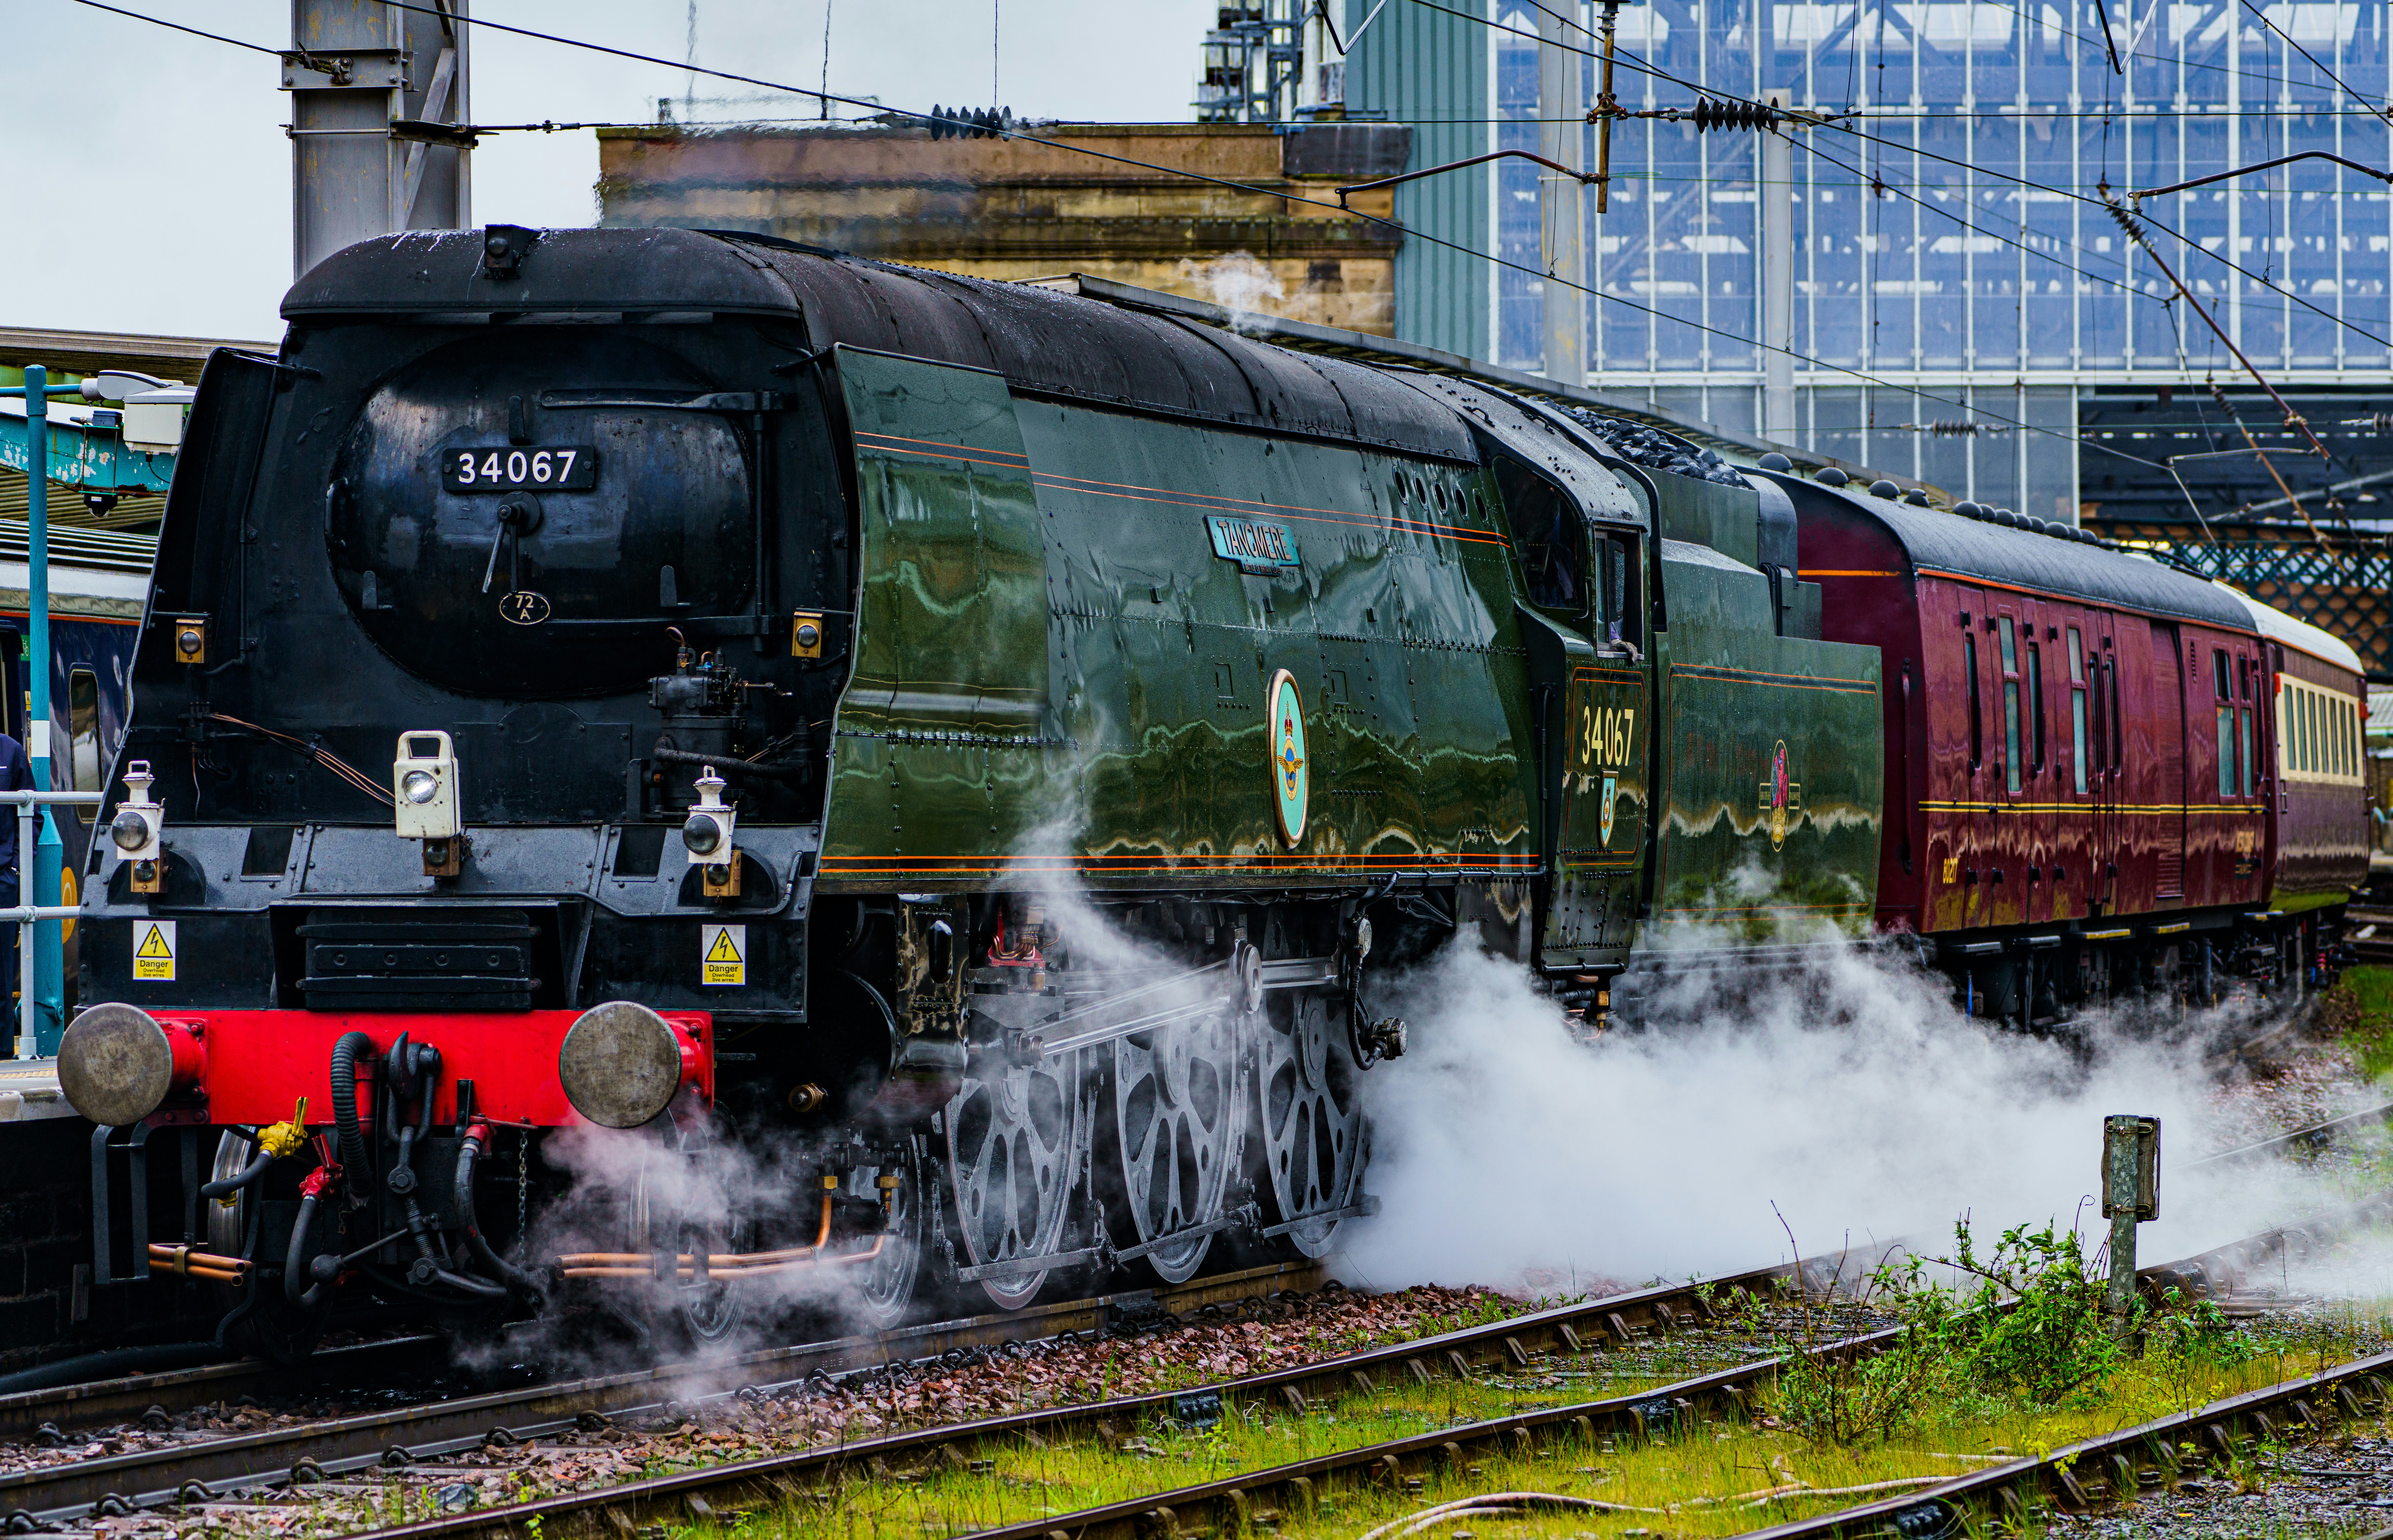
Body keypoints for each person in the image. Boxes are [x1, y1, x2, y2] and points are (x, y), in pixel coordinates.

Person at [0, 728, 30, 1056]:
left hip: (0, 877)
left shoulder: (10, 752)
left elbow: (31, 811)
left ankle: (2, 1052)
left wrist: (17, 864)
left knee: (1, 971)